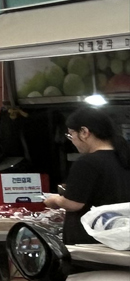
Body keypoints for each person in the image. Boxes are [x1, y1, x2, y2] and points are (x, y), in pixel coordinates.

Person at [41, 106, 130, 249]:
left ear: (84, 132)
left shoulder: (87, 162)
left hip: (90, 244)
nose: (72, 140)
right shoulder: (124, 158)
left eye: (71, 135)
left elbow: (73, 204)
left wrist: (55, 200)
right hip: (119, 240)